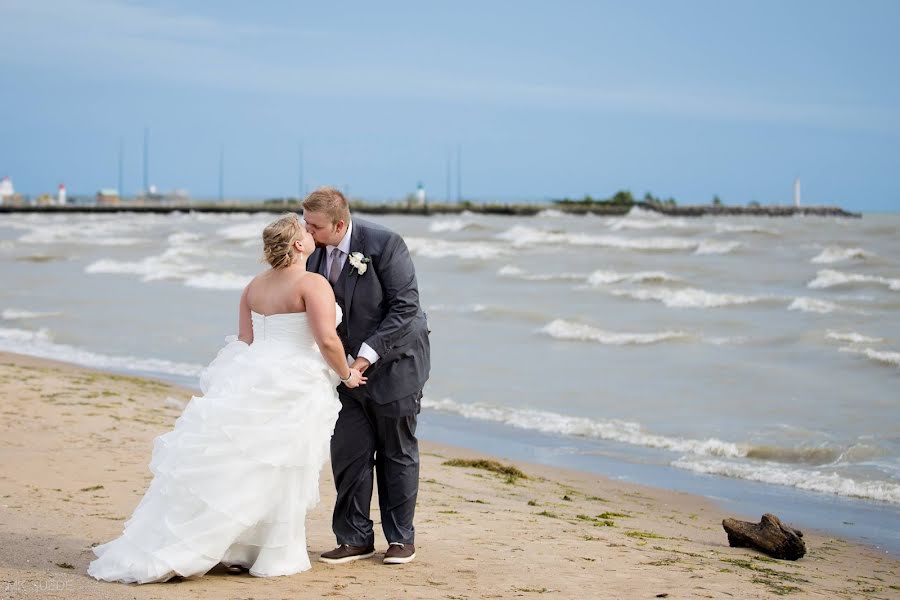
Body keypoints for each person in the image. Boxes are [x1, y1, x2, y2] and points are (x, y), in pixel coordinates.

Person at [87, 214, 366, 583]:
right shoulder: (313, 283)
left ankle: (239, 547)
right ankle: (270, 552)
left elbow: (246, 340)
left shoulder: (254, 286)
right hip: (295, 381)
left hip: (252, 375)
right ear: (299, 245)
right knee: (279, 466)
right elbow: (327, 339)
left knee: (244, 464)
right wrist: (347, 375)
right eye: (304, 230)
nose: (309, 231)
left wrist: (240, 380)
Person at [303, 187, 430, 566]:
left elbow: (406, 307)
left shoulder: (385, 244)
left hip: (396, 364)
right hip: (341, 372)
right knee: (350, 451)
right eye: (305, 223)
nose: (306, 232)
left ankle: (400, 539)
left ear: (340, 224)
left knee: (397, 451)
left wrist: (365, 356)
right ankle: (354, 538)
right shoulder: (309, 253)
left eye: (315, 227)